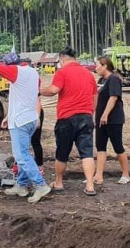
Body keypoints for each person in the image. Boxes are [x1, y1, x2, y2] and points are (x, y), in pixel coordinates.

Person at [0, 51, 50, 203]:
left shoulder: (16, 72)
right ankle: (21, 185)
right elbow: (25, 97)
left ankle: (40, 185)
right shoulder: (33, 72)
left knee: (21, 156)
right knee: (24, 153)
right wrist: (8, 116)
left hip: (20, 122)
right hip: (30, 118)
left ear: (10, 65)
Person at [40, 47, 98, 196]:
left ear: (62, 59)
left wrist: (38, 90)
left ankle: (58, 182)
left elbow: (53, 90)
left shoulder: (62, 72)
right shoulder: (89, 74)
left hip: (66, 118)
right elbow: (94, 98)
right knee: (87, 153)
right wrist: (91, 114)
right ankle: (90, 185)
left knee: (62, 152)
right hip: (86, 117)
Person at [93, 56, 130, 185]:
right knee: (100, 146)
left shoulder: (114, 78)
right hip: (100, 119)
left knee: (117, 146)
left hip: (113, 119)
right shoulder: (101, 80)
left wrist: (105, 114)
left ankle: (125, 174)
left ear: (105, 66)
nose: (95, 68)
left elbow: (113, 98)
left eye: (97, 65)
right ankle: (98, 175)